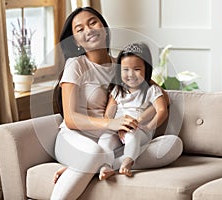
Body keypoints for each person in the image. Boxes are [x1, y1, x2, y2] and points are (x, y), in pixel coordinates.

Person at [51, 7, 183, 200]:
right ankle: (87, 163)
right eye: (79, 29)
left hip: (110, 144)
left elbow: (160, 93)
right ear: (76, 41)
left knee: (172, 146)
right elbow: (71, 119)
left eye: (92, 22)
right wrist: (110, 123)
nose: (88, 30)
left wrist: (142, 119)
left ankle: (90, 167)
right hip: (74, 139)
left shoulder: (121, 66)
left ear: (104, 28)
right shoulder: (76, 65)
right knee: (95, 152)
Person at [98, 42, 169, 178]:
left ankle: (127, 161)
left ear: (146, 69)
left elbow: (162, 110)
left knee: (132, 135)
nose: (131, 74)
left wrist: (148, 127)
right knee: (104, 140)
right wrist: (115, 126)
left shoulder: (151, 90)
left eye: (136, 69)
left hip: (139, 130)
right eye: (125, 69)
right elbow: (108, 115)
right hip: (118, 130)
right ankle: (106, 166)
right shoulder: (117, 90)